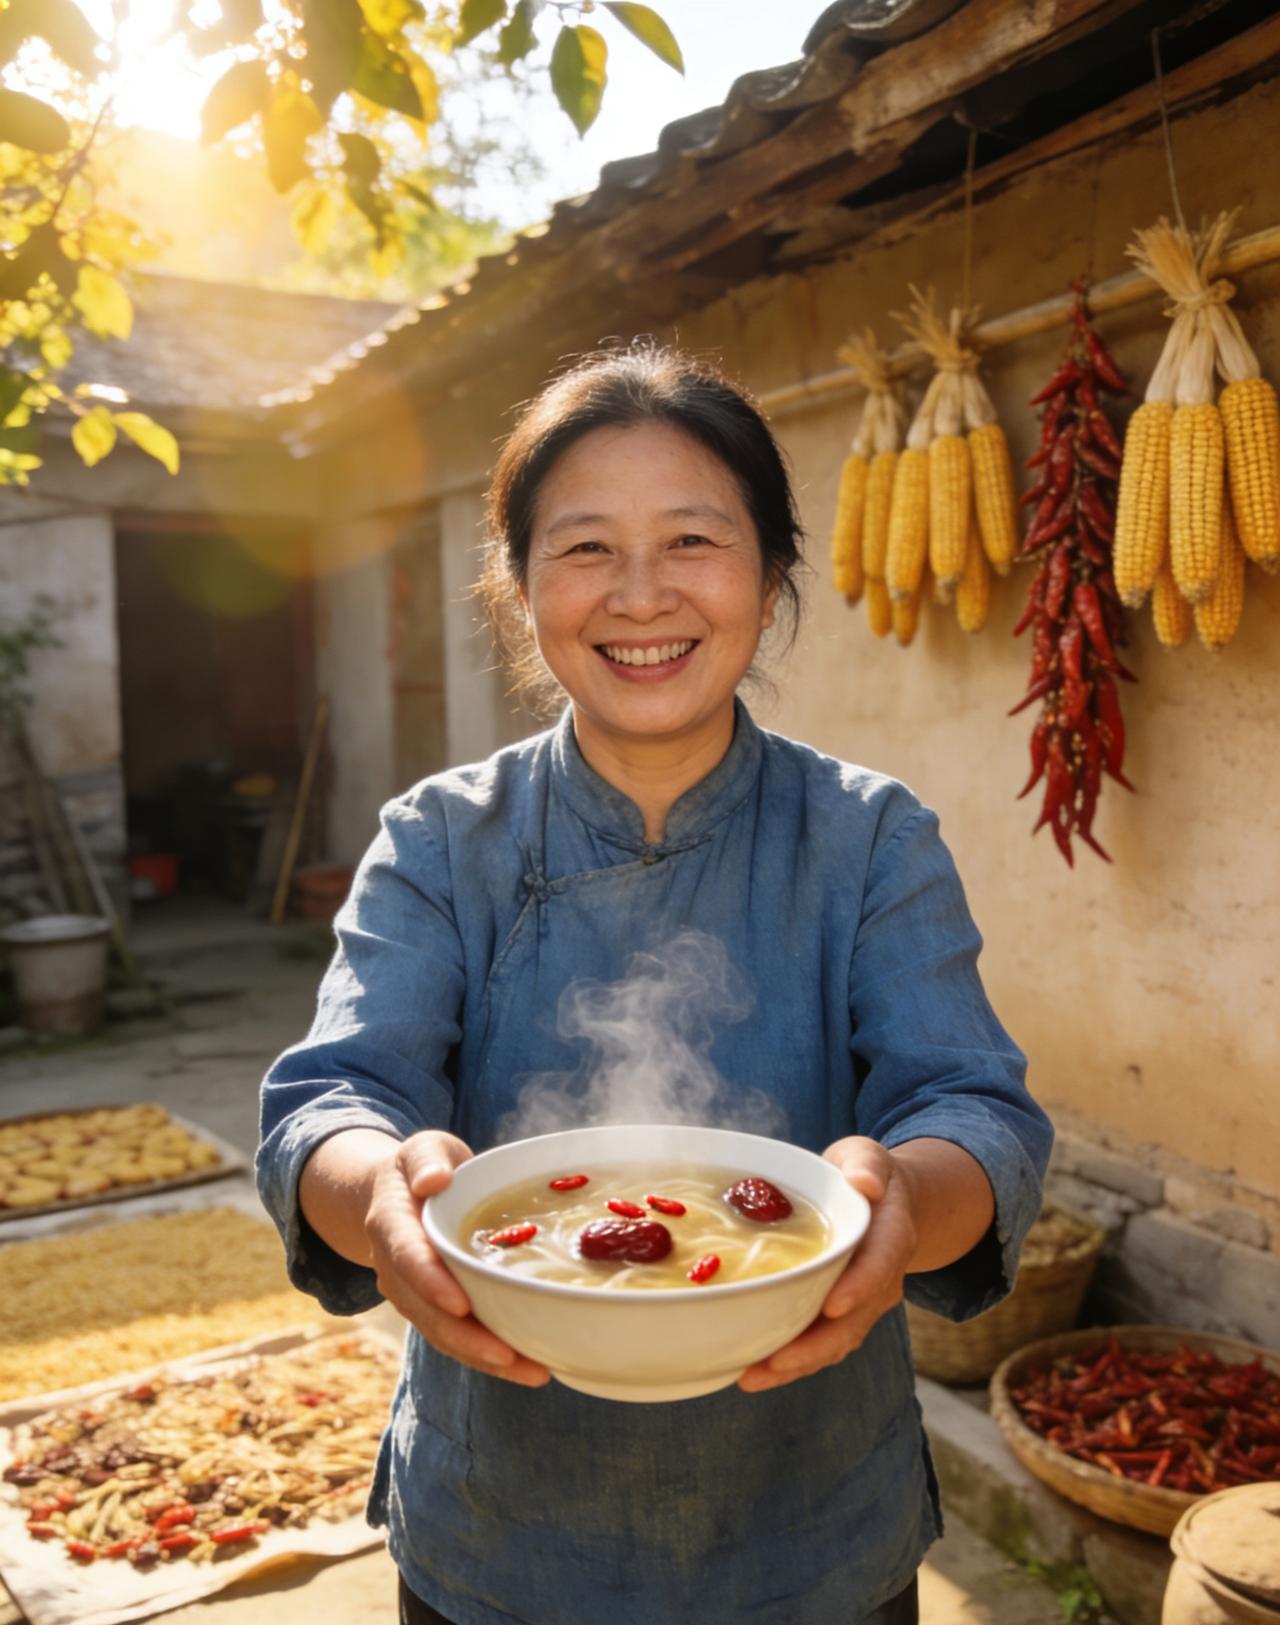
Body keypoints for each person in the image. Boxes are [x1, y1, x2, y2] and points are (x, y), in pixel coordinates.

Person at [257, 342, 1053, 1625]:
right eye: (582, 548)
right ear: (518, 588)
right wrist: (381, 1199)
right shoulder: (436, 838)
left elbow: (975, 1111)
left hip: (814, 1539)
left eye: (692, 539)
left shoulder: (868, 838)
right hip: (500, 1545)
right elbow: (330, 1098)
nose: (639, 596)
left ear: (771, 574)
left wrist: (900, 1194)